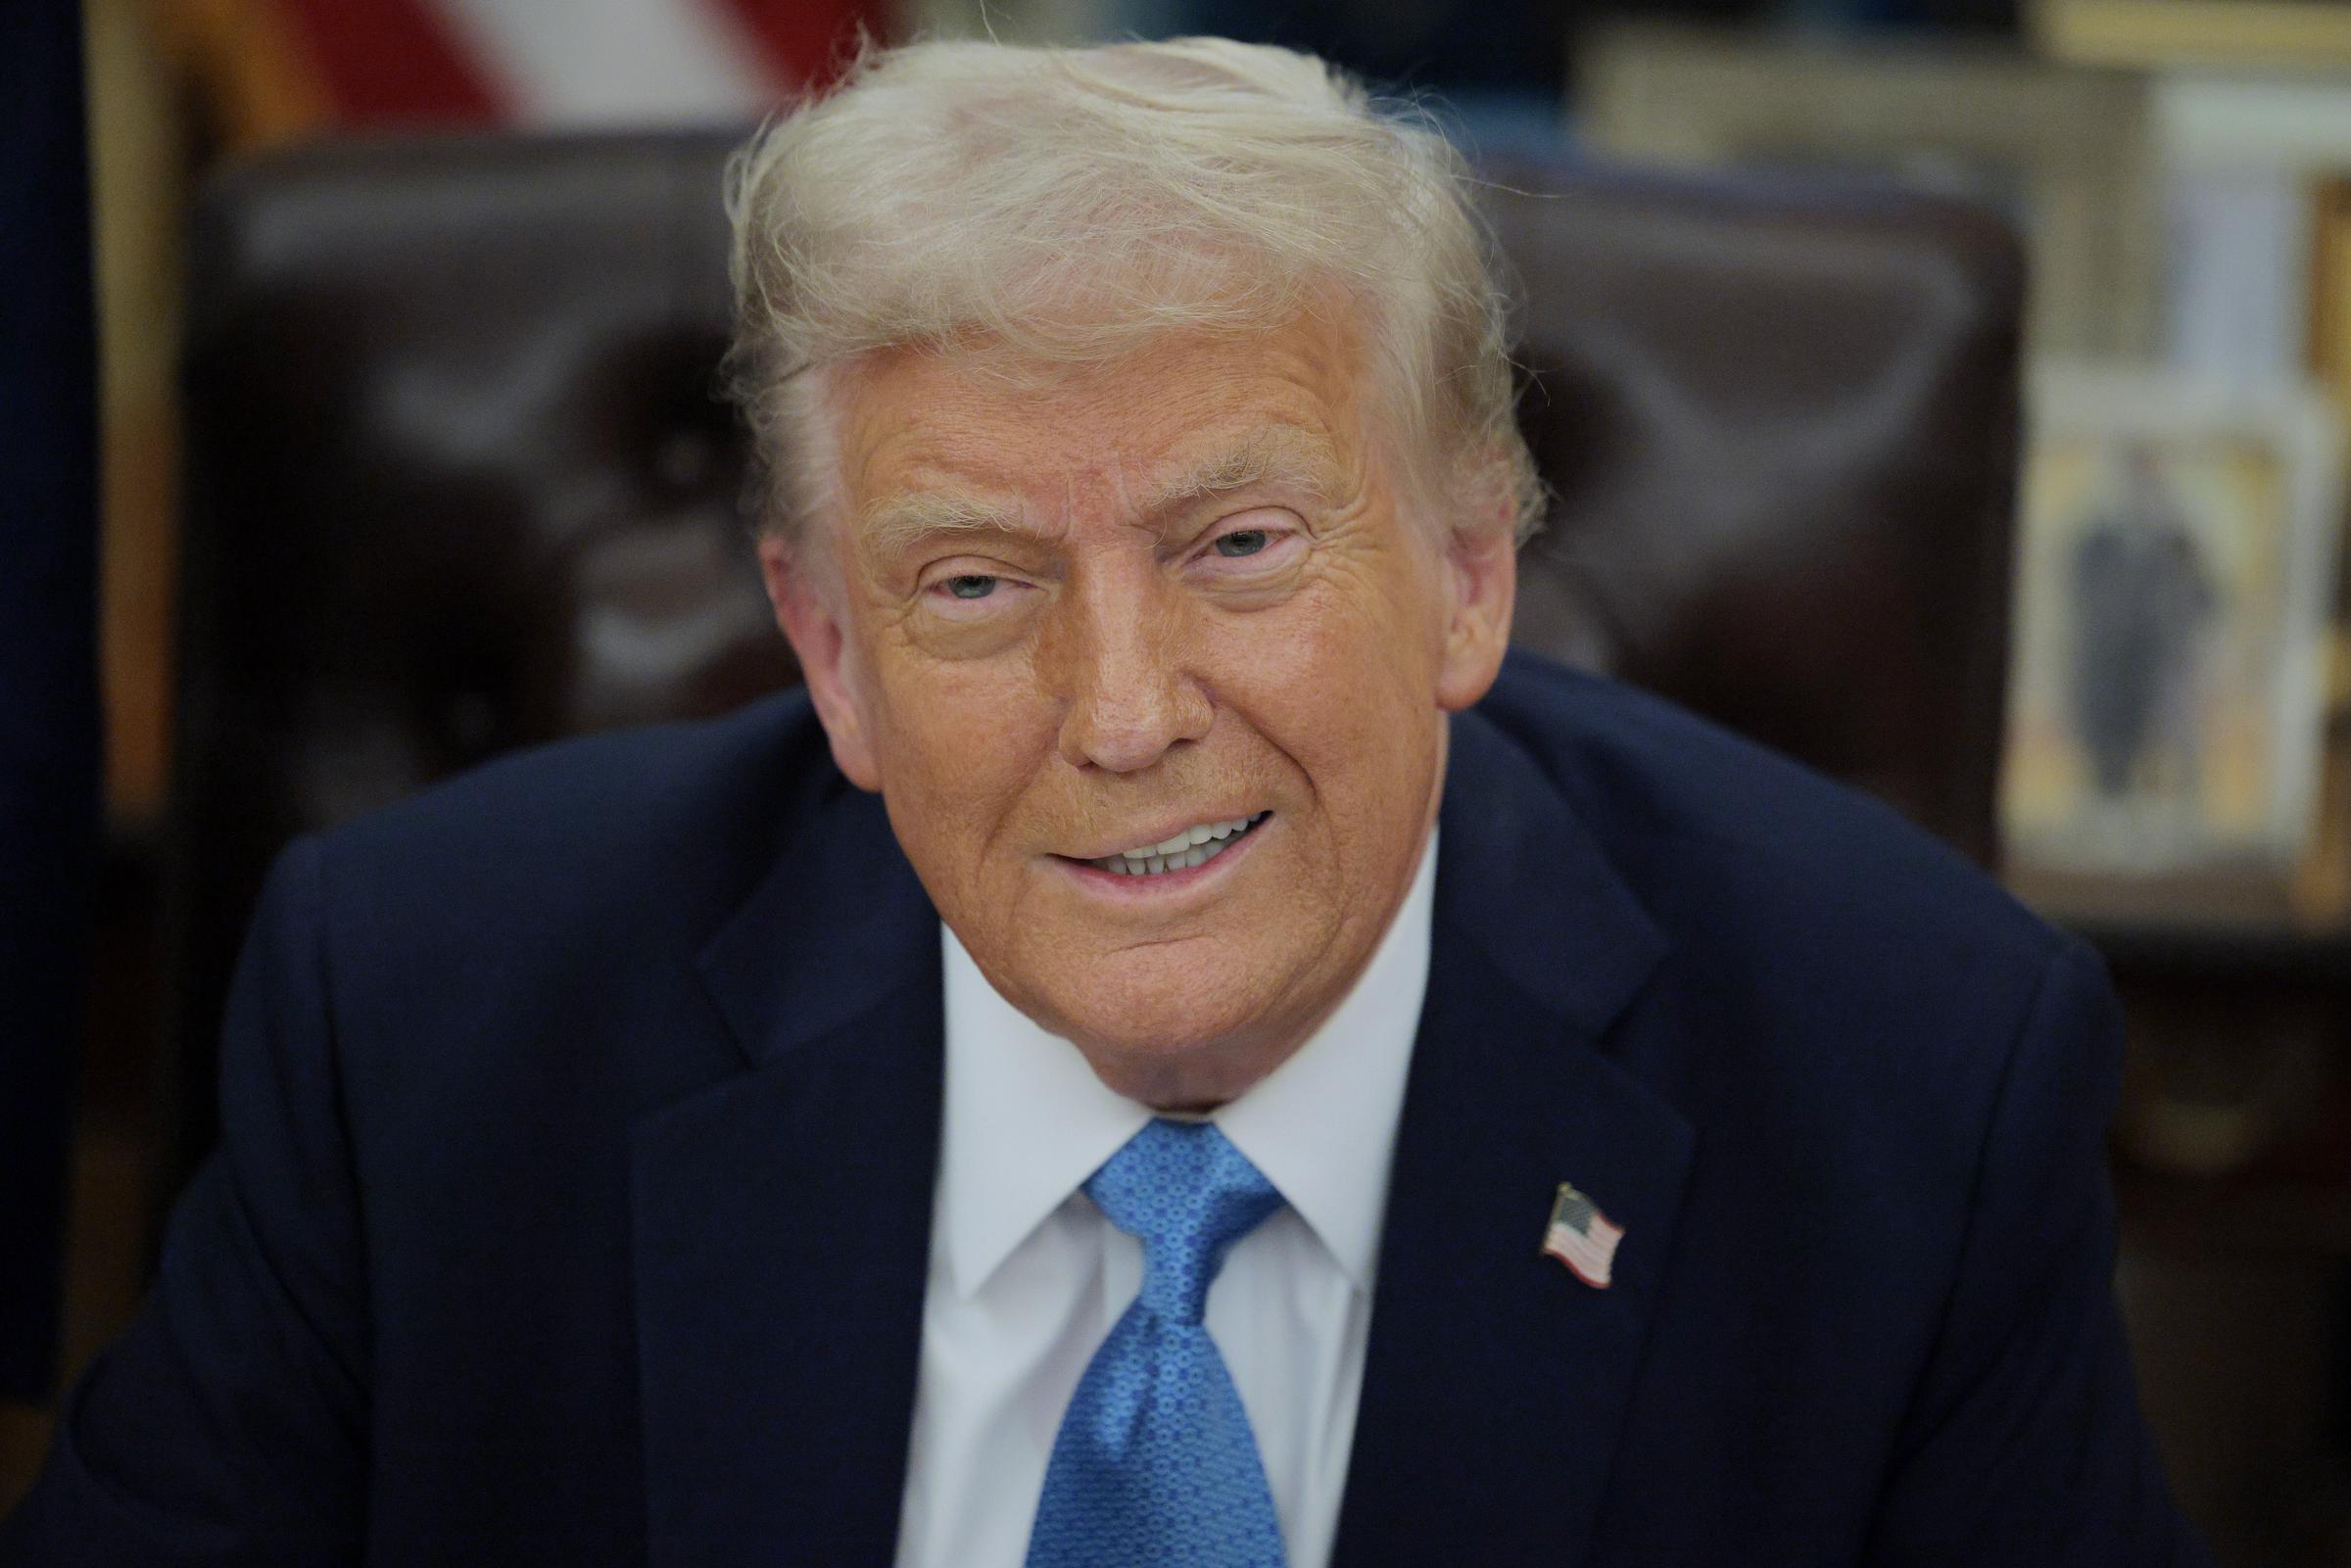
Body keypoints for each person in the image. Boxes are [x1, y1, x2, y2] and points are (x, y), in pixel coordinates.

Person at [2, 36, 2208, 1568]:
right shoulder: (429, 1030)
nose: (1125, 711)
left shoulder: (1906, 1082)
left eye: (1240, 545)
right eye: (977, 584)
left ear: (1465, 570)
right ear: (832, 654)